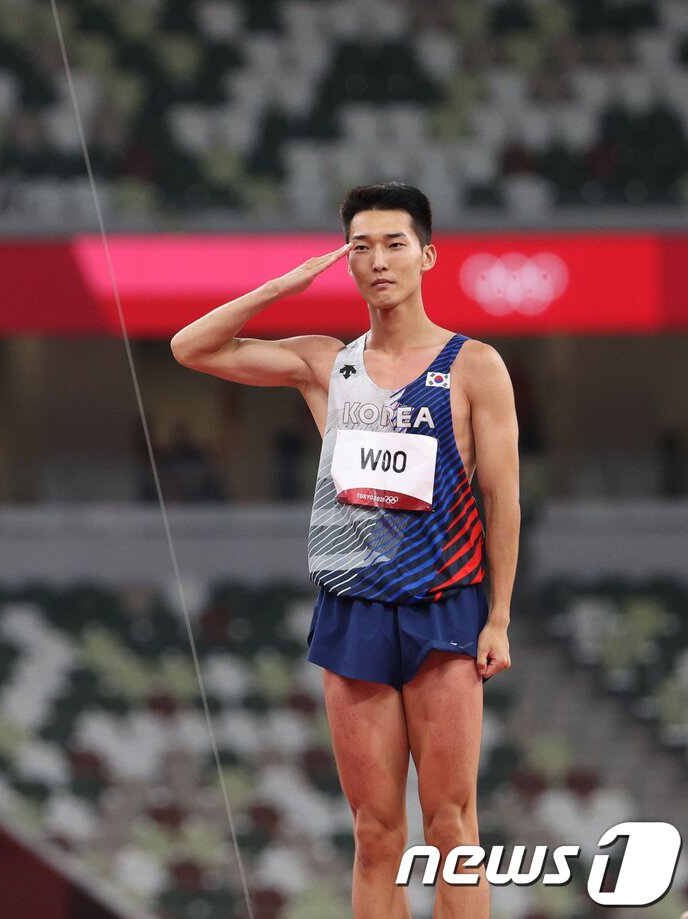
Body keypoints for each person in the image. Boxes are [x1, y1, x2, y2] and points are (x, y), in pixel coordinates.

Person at [170, 183, 518, 918]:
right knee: (374, 832)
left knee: (452, 825)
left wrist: (500, 617)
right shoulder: (327, 364)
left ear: (427, 254)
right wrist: (284, 285)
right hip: (352, 610)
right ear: (346, 262)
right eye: (361, 247)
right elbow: (190, 347)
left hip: (444, 609)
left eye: (394, 243)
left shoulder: (473, 366)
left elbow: (503, 498)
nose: (378, 260)